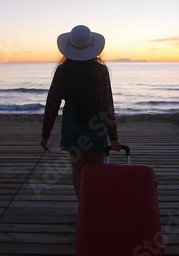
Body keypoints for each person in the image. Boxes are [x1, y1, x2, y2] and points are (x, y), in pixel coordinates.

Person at [40, 25, 122, 199]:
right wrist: (113, 137)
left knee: (77, 168)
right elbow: (107, 104)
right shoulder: (100, 70)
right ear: (92, 47)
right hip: (96, 125)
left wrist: (45, 134)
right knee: (96, 169)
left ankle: (83, 207)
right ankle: (94, 207)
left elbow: (52, 104)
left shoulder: (62, 71)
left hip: (72, 124)